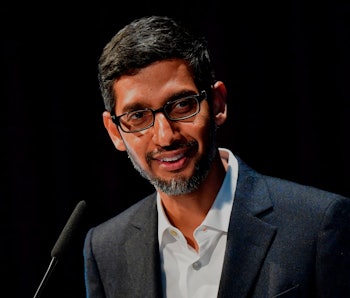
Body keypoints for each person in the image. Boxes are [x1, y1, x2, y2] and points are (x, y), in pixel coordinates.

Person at [83, 15, 350, 297]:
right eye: (138, 116)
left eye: (182, 105)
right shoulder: (104, 249)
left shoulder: (317, 225)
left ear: (218, 103)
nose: (165, 136)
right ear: (114, 131)